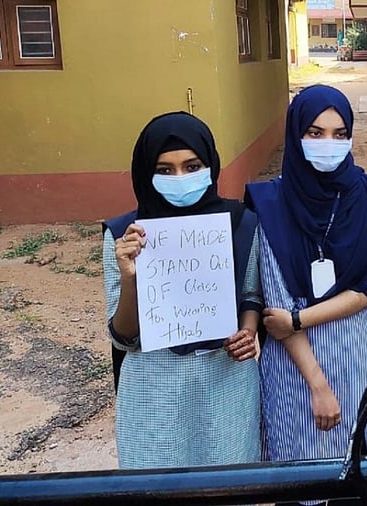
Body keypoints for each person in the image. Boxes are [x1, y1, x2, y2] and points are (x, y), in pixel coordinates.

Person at [245, 86, 367, 492]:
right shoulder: (268, 203)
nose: (329, 144)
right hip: (294, 374)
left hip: (359, 362)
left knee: (361, 480)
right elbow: (274, 305)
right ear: (294, 135)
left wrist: (298, 317)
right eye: (315, 132)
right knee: (300, 483)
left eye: (340, 134)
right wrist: (319, 386)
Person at [103, 111, 262, 469]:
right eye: (165, 169)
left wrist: (248, 330)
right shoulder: (124, 236)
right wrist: (130, 279)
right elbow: (123, 337)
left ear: (211, 165)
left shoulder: (241, 223)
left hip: (226, 383)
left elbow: (251, 293)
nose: (180, 178)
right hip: (153, 390)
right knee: (158, 489)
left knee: (231, 487)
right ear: (146, 172)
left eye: (192, 166)